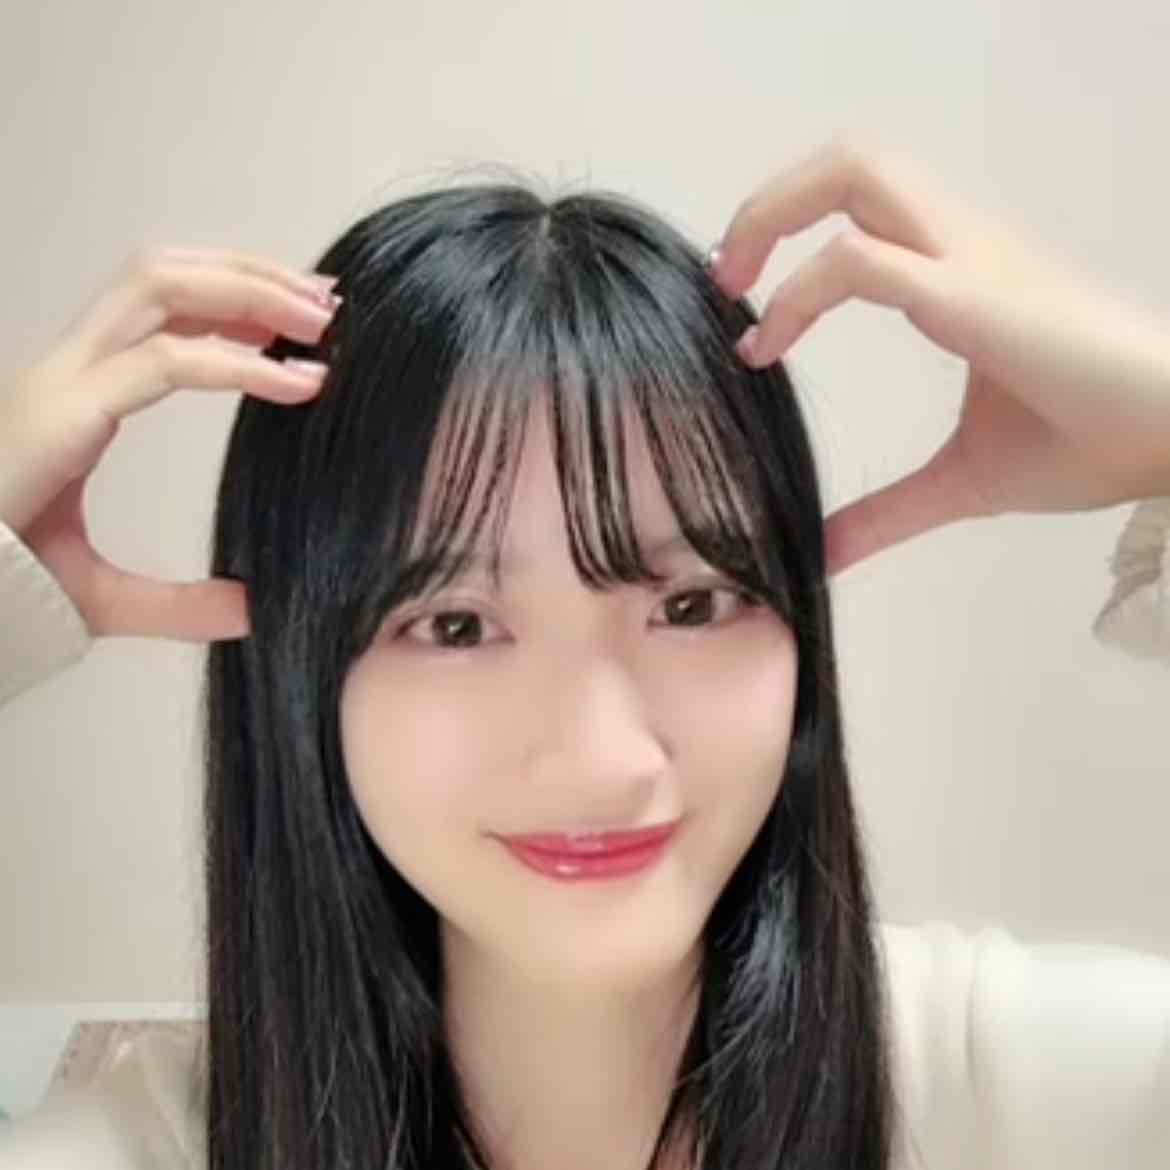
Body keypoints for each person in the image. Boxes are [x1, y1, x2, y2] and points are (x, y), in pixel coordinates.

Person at [0, 135, 1166, 1170]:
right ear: (301, 667)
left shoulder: (1013, 1091)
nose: (602, 760)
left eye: (693, 605)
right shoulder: (155, 1144)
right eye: (455, 625)